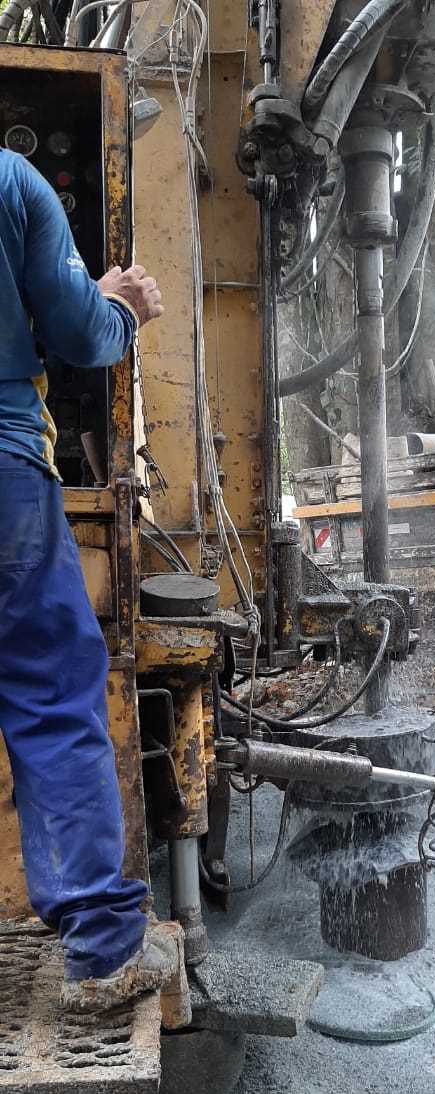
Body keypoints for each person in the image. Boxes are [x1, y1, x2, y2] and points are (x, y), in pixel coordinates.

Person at [0, 145, 175, 1013]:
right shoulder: (12, 181)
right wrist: (122, 307)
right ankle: (103, 956)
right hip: (3, 483)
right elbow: (78, 335)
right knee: (48, 696)